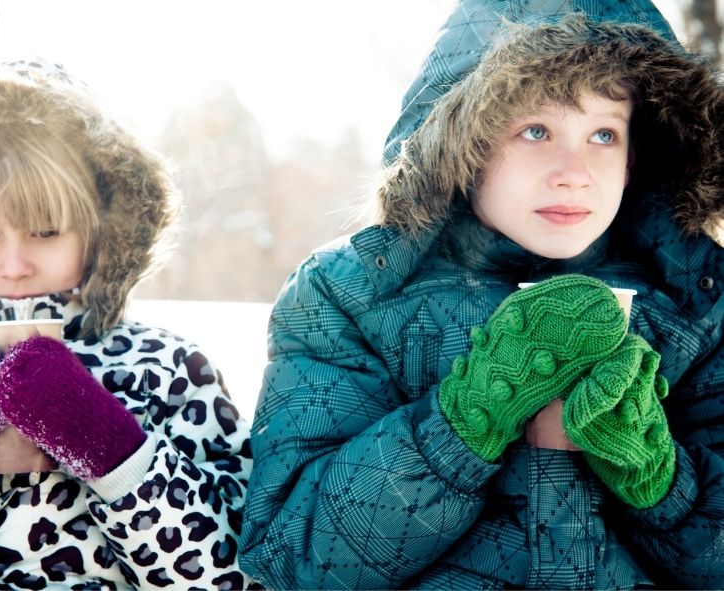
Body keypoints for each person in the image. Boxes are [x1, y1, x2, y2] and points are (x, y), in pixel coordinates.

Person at [239, 1, 724, 589]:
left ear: (637, 155)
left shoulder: (699, 305)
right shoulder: (353, 296)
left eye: (603, 133)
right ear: (463, 141)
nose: (573, 171)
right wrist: (463, 422)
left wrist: (660, 481)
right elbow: (294, 558)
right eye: (536, 130)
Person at [0, 58, 254, 589]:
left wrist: (114, 451)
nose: (15, 265)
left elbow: (224, 576)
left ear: (98, 232)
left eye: (46, 231)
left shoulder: (170, 370)